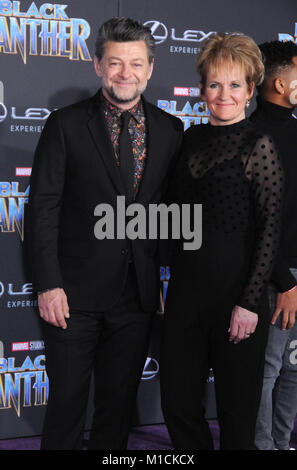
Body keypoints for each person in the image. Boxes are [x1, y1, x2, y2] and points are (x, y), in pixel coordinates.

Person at [26, 17, 183, 450]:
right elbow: (42, 208)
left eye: (135, 63)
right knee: (67, 405)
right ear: (98, 65)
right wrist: (49, 284)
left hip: (137, 295)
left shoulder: (171, 130)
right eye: (115, 62)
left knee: (117, 408)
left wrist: (165, 277)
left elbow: (167, 210)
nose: (125, 73)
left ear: (150, 68)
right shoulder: (65, 124)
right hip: (72, 295)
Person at [160, 32, 283, 450]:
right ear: (201, 89)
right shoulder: (190, 139)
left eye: (234, 85)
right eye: (214, 84)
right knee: (177, 403)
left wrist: (250, 304)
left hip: (237, 297)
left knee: (237, 412)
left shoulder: (259, 144)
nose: (223, 94)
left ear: (251, 90)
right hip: (184, 296)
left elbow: (269, 228)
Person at [251, 40, 297, 451]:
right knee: (266, 371)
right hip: (275, 278)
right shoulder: (255, 135)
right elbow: (262, 219)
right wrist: (284, 282)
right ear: (281, 83)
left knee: (294, 369)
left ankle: (283, 444)